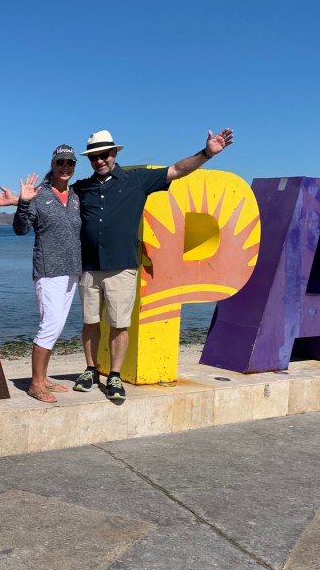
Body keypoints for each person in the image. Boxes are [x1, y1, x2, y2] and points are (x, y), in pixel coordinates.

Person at [71, 128, 234, 401]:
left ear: (114, 154)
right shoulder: (81, 188)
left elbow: (177, 170)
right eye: (93, 157)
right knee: (90, 322)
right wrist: (19, 200)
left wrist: (206, 153)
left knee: (119, 324)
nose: (99, 160)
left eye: (104, 154)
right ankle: (90, 370)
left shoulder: (136, 180)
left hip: (122, 267)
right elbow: (53, 197)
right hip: (88, 267)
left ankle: (114, 375)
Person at [0, 144, 82, 402]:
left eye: (70, 163)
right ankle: (36, 383)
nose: (65, 167)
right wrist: (23, 202)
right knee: (49, 325)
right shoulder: (39, 195)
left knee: (57, 326)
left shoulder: (76, 197)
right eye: (60, 162)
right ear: (53, 164)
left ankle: (44, 377)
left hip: (72, 269)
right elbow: (21, 229)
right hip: (48, 270)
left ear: (74, 166)